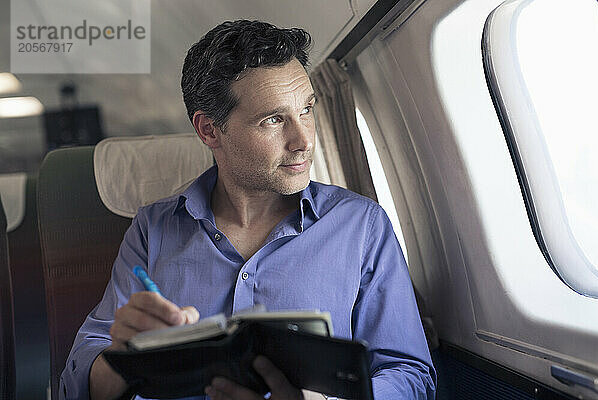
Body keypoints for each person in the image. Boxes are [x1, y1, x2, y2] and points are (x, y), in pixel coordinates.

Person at [60, 20, 436, 400]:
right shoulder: (152, 228)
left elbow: (411, 375)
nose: (304, 140)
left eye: (307, 109)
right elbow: (75, 385)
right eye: (274, 120)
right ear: (209, 130)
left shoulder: (363, 226)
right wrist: (123, 356)